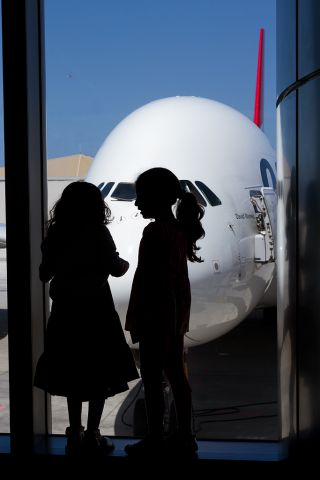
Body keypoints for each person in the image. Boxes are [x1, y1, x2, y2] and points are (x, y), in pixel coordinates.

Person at [34, 181, 139, 455]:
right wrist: (124, 263)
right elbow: (116, 269)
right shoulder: (98, 232)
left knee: (71, 373)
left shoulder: (56, 233)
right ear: (97, 206)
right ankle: (93, 434)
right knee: (98, 374)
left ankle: (74, 432)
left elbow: (44, 274)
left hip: (66, 314)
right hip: (97, 313)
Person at [124, 167, 205, 456]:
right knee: (176, 378)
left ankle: (155, 438)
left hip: (156, 317)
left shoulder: (155, 231)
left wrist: (144, 320)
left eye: (140, 198)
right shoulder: (178, 230)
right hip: (173, 316)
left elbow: (152, 282)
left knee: (152, 380)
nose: (136, 204)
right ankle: (185, 435)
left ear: (156, 198)